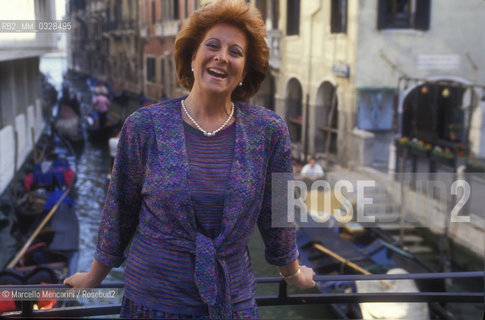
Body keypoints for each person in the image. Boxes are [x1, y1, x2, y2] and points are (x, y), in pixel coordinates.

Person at [64, 1, 315, 318]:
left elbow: (278, 214)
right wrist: (94, 277)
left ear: (245, 69)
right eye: (212, 46)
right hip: (152, 302)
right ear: (193, 56)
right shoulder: (144, 126)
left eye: (235, 52)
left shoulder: (269, 131)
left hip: (232, 302)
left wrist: (292, 273)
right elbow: (119, 210)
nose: (223, 56)